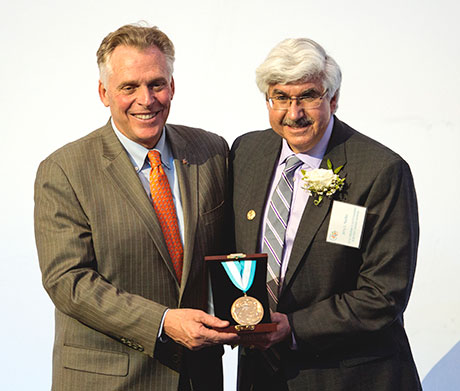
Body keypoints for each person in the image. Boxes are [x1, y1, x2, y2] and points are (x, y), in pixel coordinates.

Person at [34, 23, 238, 391]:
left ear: (172, 86)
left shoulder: (211, 151)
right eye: (129, 87)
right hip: (109, 380)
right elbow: (68, 281)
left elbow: (231, 250)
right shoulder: (64, 170)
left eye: (157, 84)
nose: (146, 99)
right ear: (104, 92)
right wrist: (162, 322)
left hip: (199, 377)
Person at [231, 38, 421, 390]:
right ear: (267, 100)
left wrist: (294, 327)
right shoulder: (246, 152)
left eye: (308, 96)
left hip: (351, 376)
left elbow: (384, 294)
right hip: (262, 375)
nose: (294, 112)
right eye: (281, 97)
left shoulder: (381, 170)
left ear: (333, 98)